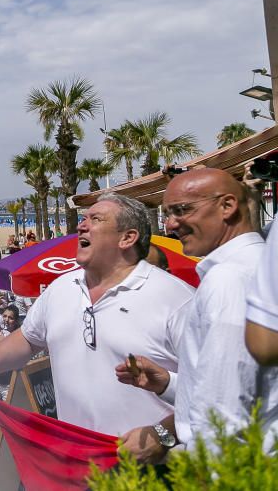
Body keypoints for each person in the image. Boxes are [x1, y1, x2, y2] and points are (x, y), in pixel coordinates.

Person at [0, 194, 193, 458]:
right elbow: (29, 338)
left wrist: (163, 434)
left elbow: (218, 390)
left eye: (95, 219)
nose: (81, 226)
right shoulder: (61, 287)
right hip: (76, 464)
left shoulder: (178, 299)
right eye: (84, 218)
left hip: (153, 467)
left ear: (127, 238)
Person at [117, 168, 278, 454]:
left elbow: (225, 416)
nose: (170, 225)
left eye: (182, 210)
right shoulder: (256, 265)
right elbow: (243, 391)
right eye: (168, 213)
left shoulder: (229, 278)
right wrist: (168, 383)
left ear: (227, 206)